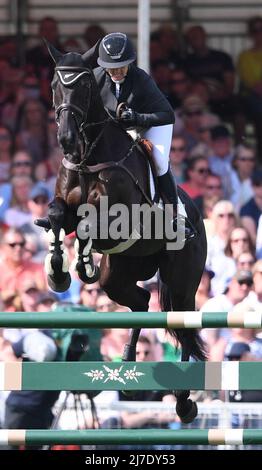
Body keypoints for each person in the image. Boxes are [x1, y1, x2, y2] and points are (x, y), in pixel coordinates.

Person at [93, 32, 196, 241]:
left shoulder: (141, 79)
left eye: (122, 65)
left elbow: (167, 114)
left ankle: (176, 216)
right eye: (111, 67)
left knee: (158, 161)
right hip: (115, 130)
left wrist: (138, 117)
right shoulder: (95, 78)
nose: (117, 71)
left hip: (150, 126)